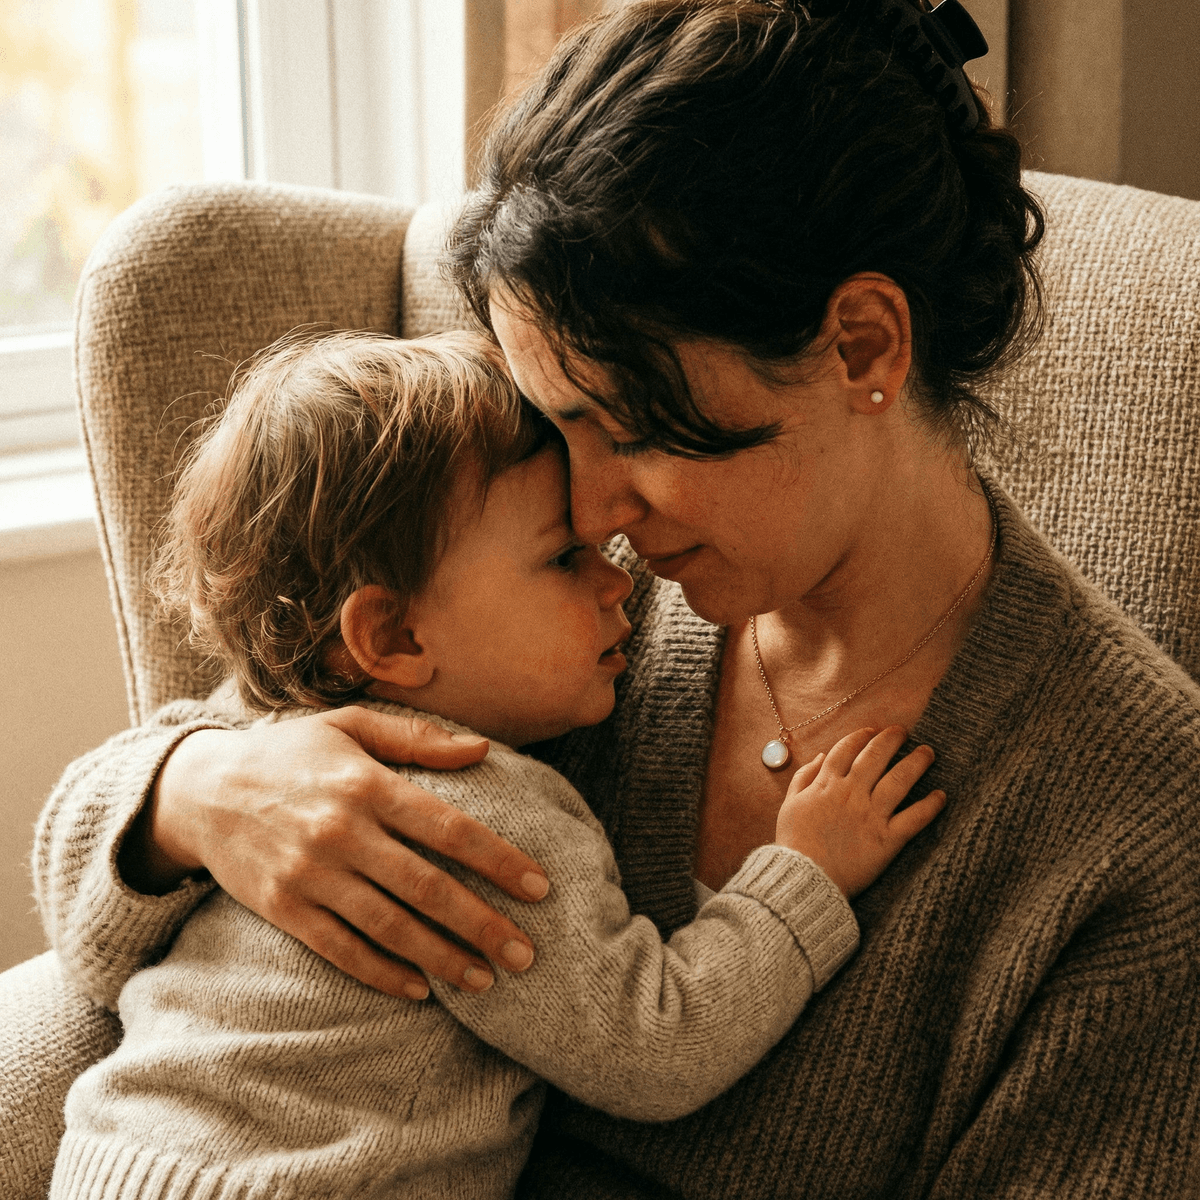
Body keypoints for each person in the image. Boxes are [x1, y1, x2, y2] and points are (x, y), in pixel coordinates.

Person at [34, 1, 1200, 1196]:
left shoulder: (1133, 828)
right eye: (561, 425)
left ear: (860, 344)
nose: (594, 518)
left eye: (636, 427)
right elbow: (112, 868)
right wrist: (195, 791)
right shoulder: (546, 592)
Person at [49, 328, 940, 1200]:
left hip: (115, 1163)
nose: (619, 576)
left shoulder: (272, 721)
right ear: (393, 634)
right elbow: (654, 1047)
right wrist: (804, 878)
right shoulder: (482, 820)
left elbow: (93, 951)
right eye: (563, 558)